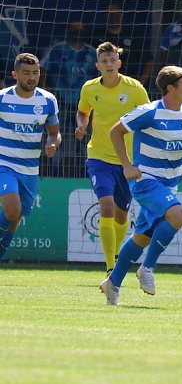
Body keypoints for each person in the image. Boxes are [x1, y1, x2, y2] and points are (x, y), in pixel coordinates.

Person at [98, 66, 182, 305]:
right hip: (145, 180)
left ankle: (113, 283)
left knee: (142, 237)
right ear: (170, 88)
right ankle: (147, 268)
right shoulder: (149, 112)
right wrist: (127, 166)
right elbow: (115, 132)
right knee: (178, 214)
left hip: (170, 185)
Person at [75, 41, 150, 275]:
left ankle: (117, 256)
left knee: (121, 214)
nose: (109, 65)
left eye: (112, 61)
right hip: (98, 157)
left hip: (126, 162)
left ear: (119, 63)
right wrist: (81, 125)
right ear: (98, 66)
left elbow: (148, 116)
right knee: (106, 207)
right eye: (104, 62)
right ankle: (110, 266)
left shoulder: (135, 88)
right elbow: (82, 111)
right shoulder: (89, 89)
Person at [0, 54, 60, 261]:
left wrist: (53, 143)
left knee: (16, 215)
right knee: (12, 209)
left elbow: (54, 132)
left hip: (30, 169)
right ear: (15, 74)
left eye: (35, 73)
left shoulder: (48, 100)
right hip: (4, 164)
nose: (31, 77)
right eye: (26, 73)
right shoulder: (3, 98)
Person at [41, 19, 99, 176]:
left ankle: (87, 173)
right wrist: (48, 90)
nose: (77, 33)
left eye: (80, 30)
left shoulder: (93, 53)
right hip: (61, 100)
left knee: (85, 138)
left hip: (85, 104)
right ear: (67, 32)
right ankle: (55, 172)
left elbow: (100, 78)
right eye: (74, 30)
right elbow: (43, 69)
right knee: (57, 136)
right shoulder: (57, 50)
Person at [90, 1, 152, 83]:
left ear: (122, 15)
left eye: (117, 14)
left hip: (129, 85)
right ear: (104, 16)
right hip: (103, 86)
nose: (114, 17)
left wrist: (140, 84)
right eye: (110, 14)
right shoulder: (96, 38)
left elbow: (150, 61)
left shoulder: (133, 38)